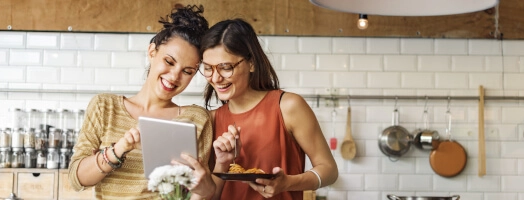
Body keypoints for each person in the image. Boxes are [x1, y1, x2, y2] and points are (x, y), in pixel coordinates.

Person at [68, 5, 215, 200]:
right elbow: (77, 179)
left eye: (187, 71)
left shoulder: (196, 119)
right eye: (169, 62)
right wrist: (118, 149)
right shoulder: (105, 107)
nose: (174, 76)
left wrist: (206, 189)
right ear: (152, 51)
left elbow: (197, 193)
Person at [200, 19, 338, 199]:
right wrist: (221, 164)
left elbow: (329, 170)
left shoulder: (288, 106)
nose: (216, 78)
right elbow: (213, 195)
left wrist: (288, 183)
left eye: (225, 67)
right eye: (208, 68)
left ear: (251, 63)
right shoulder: (211, 119)